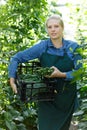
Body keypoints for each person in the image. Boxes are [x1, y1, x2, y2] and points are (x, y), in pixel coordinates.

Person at [8, 14, 82, 130]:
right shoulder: (43, 47)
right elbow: (17, 58)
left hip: (66, 99)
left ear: (62, 28)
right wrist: (12, 78)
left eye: (56, 26)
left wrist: (61, 74)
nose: (53, 30)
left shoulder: (74, 48)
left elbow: (80, 73)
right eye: (49, 27)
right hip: (47, 96)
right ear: (47, 29)